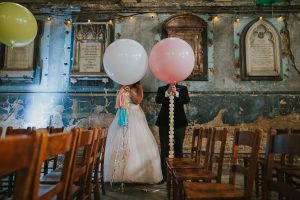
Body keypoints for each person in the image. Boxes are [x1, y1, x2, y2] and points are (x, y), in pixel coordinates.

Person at [104, 81, 163, 184]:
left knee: (136, 141)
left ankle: (136, 174)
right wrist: (122, 91)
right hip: (122, 114)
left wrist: (130, 91)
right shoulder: (121, 86)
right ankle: (119, 174)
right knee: (119, 139)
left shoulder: (138, 87)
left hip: (135, 115)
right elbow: (118, 102)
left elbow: (138, 101)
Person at [155, 83, 190, 181]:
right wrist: (167, 92)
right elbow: (158, 100)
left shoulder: (183, 88)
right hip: (164, 123)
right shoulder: (162, 88)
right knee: (164, 149)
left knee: (179, 148)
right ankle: (164, 176)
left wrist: (176, 93)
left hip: (180, 122)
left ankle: (179, 175)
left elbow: (186, 100)